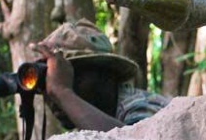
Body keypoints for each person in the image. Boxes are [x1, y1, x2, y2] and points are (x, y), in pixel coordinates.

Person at [30, 19, 169, 131]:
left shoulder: (143, 107)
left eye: (69, 78)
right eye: (48, 82)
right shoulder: (94, 125)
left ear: (106, 75)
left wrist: (63, 92)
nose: (51, 94)